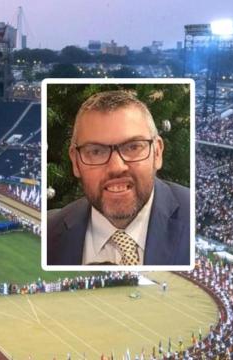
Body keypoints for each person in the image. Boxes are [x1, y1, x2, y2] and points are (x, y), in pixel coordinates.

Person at [47, 90, 190, 266]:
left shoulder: (192, 215)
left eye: (132, 147)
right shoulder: (49, 232)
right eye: (96, 151)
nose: (116, 167)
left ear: (157, 152)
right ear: (76, 162)